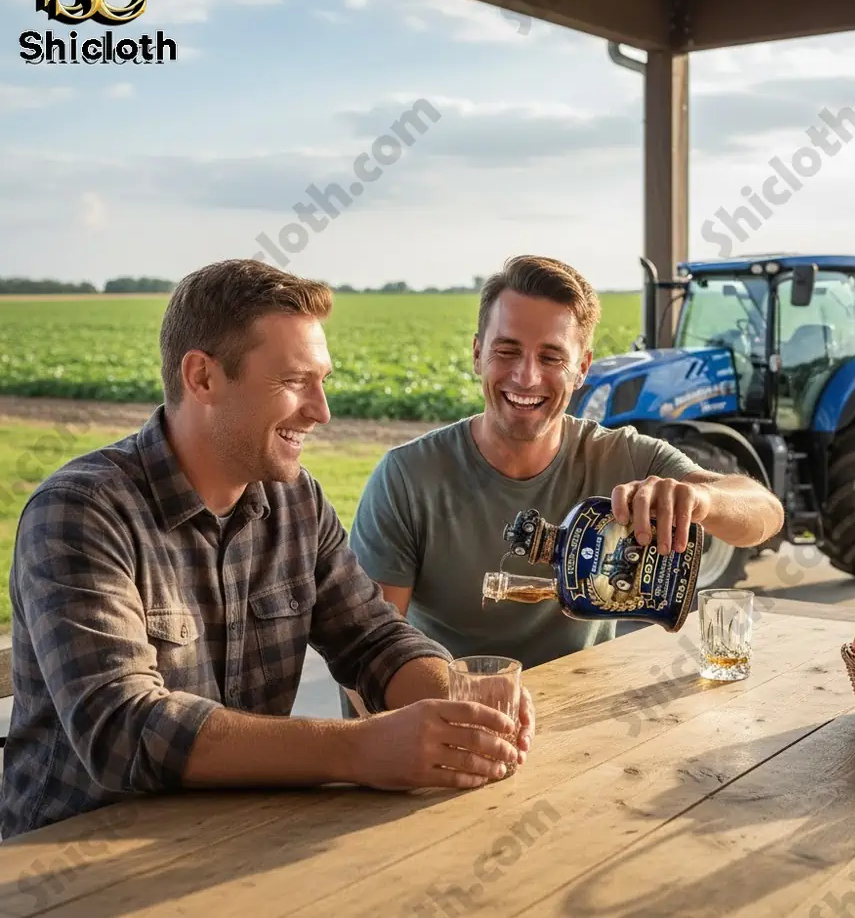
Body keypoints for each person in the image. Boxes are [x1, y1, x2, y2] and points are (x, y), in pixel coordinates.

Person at [1, 260, 532, 841]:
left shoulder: (296, 502)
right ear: (202, 377)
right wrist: (356, 750)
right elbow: (123, 728)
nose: (321, 410)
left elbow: (373, 639)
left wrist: (459, 704)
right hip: (72, 862)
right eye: (293, 382)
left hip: (240, 839)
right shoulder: (80, 513)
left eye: (322, 380)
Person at [341, 255, 784, 716]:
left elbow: (765, 516)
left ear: (582, 368)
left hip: (585, 720)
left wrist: (703, 498)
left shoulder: (620, 457)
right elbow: (367, 656)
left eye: (551, 356)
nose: (526, 377)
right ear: (477, 353)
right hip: (450, 720)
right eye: (506, 350)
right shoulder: (407, 477)